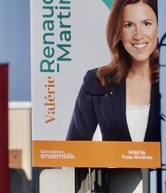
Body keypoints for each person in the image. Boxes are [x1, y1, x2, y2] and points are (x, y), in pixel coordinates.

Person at [66, 0, 160, 142]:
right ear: (118, 32)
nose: (138, 35)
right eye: (128, 25)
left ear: (159, 27)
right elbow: (74, 150)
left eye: (147, 23)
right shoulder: (96, 81)